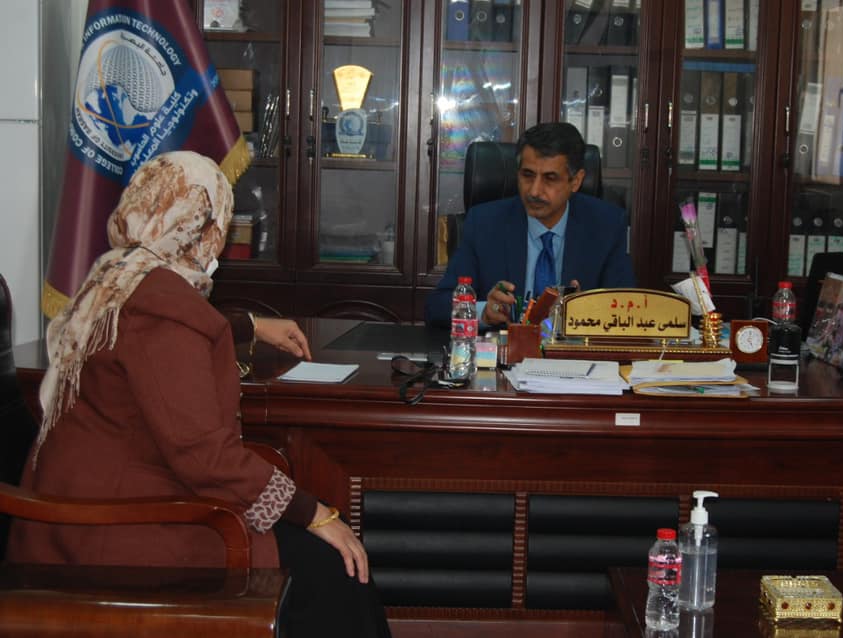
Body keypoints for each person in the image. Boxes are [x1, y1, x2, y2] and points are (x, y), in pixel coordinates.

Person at [7, 151, 391, 638]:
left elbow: (167, 339)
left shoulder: (117, 275)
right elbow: (204, 457)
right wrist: (314, 512)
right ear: (201, 229)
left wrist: (250, 326)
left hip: (72, 516)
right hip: (122, 531)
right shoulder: (164, 310)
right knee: (334, 569)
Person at [424, 121, 636, 327]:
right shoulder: (484, 223)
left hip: (572, 351)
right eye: (527, 175)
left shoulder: (606, 225)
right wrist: (483, 311)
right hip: (504, 349)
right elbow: (437, 307)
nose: (534, 191)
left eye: (550, 178)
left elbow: (626, 313)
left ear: (576, 181)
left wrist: (584, 313)